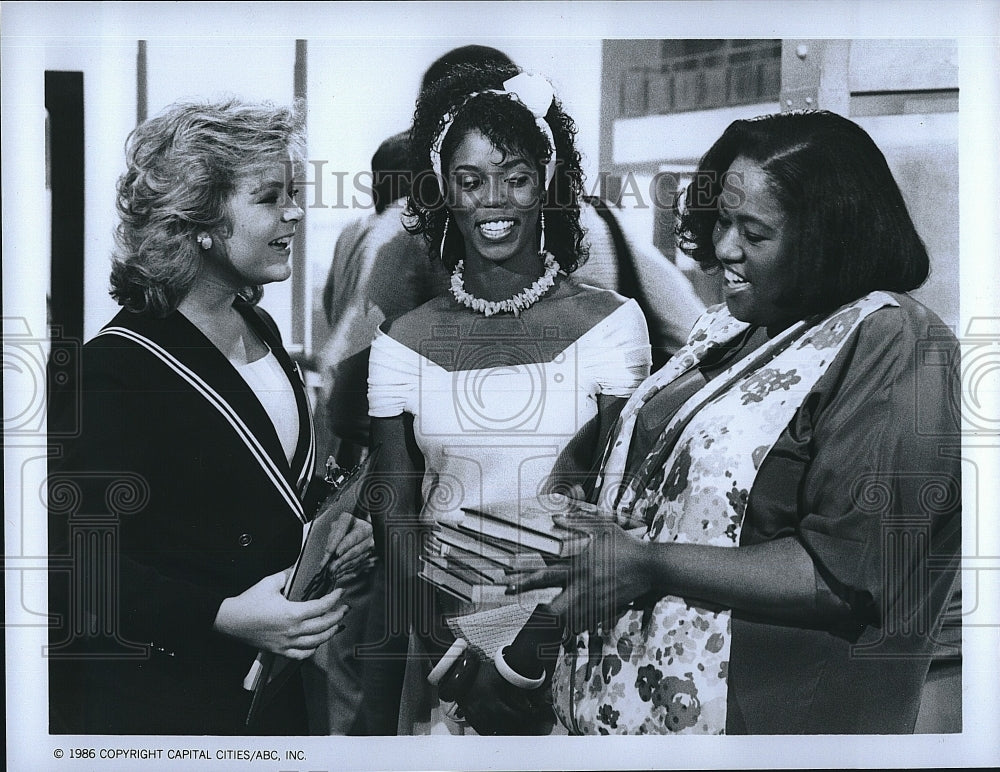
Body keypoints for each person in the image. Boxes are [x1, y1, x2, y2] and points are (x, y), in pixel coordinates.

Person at [466, 109, 961, 734]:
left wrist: (652, 564)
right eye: (722, 221)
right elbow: (626, 514)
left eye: (753, 232)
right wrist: (528, 645)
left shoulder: (895, 343)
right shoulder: (729, 329)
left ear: (830, 236)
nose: (724, 247)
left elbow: (848, 575)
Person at [47, 99, 372, 735]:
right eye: (270, 197)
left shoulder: (258, 324)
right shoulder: (113, 371)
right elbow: (74, 564)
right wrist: (220, 613)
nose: (295, 212)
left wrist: (326, 542)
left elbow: (256, 501)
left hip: (270, 695)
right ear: (199, 218)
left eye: (295, 192)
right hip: (169, 701)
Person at [360, 61, 653, 735]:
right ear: (444, 191)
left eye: (515, 178)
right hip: (447, 654)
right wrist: (461, 663)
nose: (494, 201)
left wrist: (522, 658)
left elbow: (623, 514)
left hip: (576, 640)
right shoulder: (402, 343)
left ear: (543, 186)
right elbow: (395, 521)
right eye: (471, 181)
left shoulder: (613, 326)